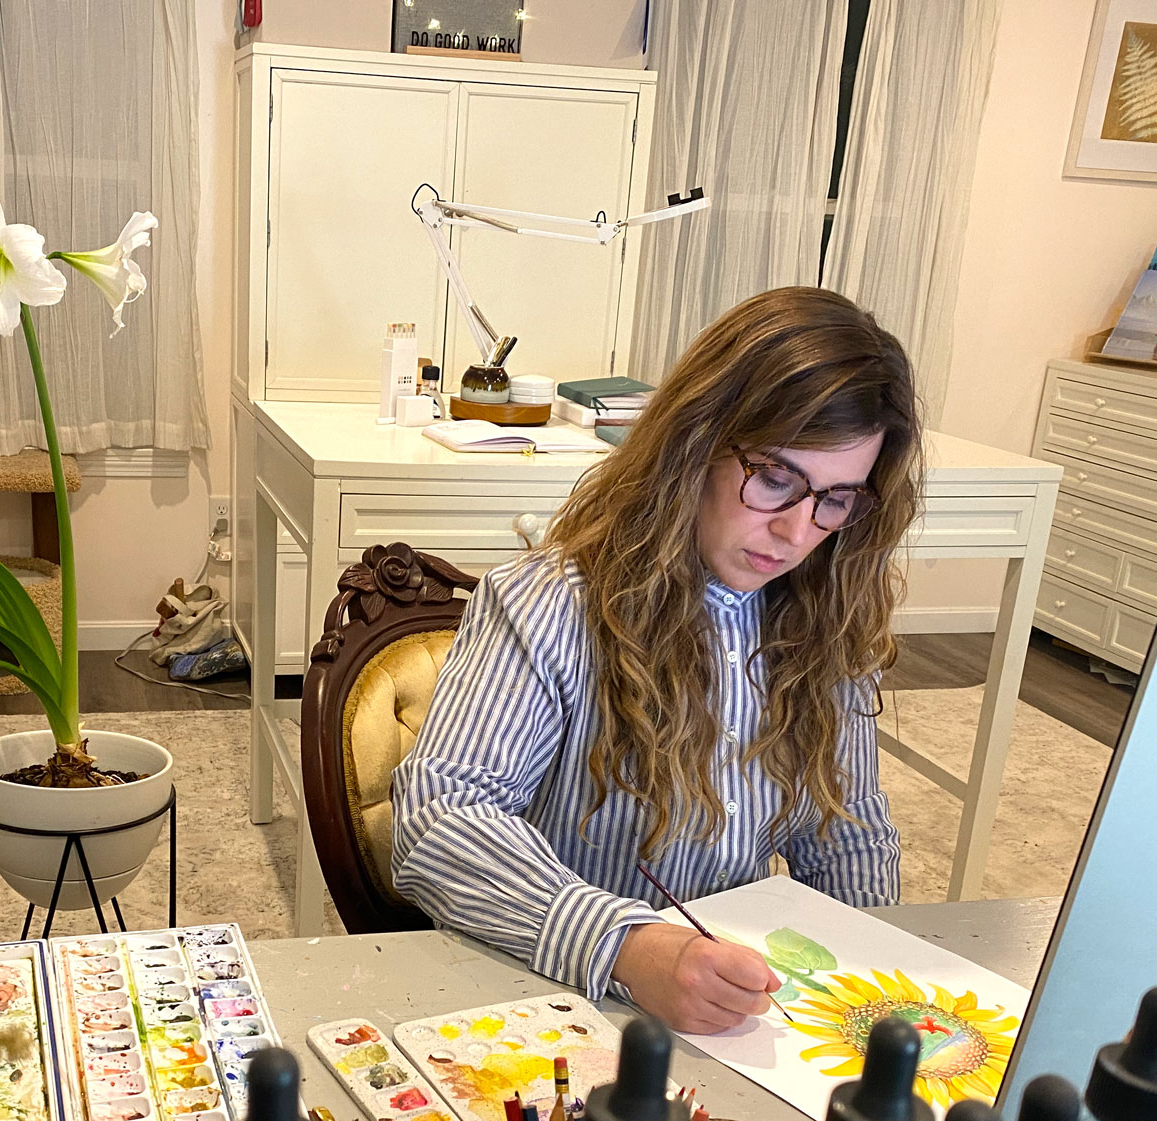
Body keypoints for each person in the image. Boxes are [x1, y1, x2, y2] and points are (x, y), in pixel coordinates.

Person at [389, 287, 923, 1036]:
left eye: (836, 500)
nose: (798, 531)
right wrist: (628, 947)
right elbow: (441, 817)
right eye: (775, 479)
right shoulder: (552, 605)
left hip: (730, 1012)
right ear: (695, 444)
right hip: (559, 1000)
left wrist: (869, 1000)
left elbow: (848, 830)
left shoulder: (824, 619)